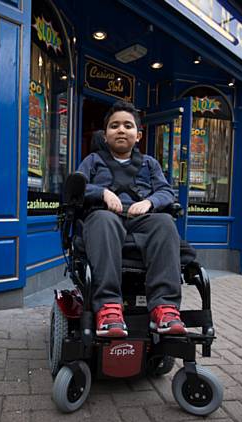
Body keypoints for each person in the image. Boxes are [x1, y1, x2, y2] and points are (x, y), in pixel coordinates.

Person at [76, 100, 187, 337]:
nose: (121, 130)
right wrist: (102, 192)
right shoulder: (93, 161)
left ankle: (164, 309)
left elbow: (166, 191)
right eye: (114, 126)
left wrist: (150, 202)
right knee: (104, 219)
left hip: (141, 221)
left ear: (138, 135)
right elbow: (74, 187)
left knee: (165, 223)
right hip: (105, 219)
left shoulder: (150, 164)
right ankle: (108, 308)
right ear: (105, 135)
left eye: (128, 125)